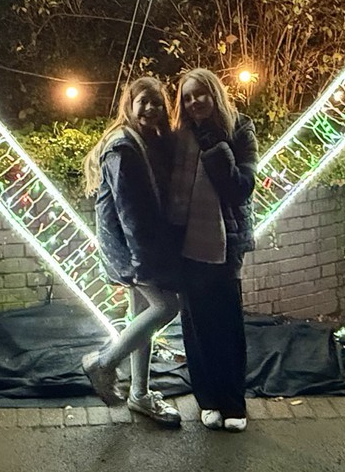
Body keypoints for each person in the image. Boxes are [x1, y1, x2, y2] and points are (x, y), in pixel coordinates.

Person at [80, 76, 183, 427]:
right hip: (132, 249)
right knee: (168, 305)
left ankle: (140, 393)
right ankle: (104, 364)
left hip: (140, 247)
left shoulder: (146, 141)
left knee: (140, 314)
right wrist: (140, 261)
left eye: (157, 102)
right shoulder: (123, 146)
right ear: (130, 104)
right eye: (145, 101)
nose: (152, 108)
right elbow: (128, 212)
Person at [170, 68, 258, 432]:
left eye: (199, 94)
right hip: (187, 242)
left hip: (226, 242)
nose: (193, 103)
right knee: (195, 325)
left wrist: (215, 148)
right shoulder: (180, 135)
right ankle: (207, 400)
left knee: (227, 323)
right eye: (187, 98)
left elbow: (242, 188)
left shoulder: (239, 128)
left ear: (214, 93)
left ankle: (233, 403)